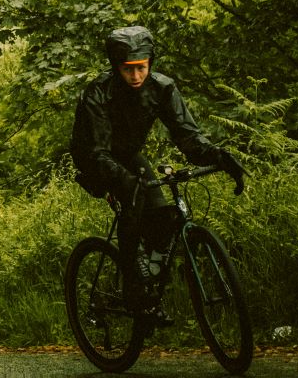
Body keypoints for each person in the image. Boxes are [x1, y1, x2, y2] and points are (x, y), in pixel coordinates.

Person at [70, 26, 245, 320]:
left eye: (142, 68)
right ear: (116, 67)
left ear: (150, 63)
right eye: (128, 69)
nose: (136, 76)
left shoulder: (163, 88)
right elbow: (97, 151)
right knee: (132, 198)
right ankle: (134, 291)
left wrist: (220, 157)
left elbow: (187, 135)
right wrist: (122, 180)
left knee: (163, 214)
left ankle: (149, 274)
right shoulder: (99, 92)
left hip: (127, 154)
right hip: (92, 156)